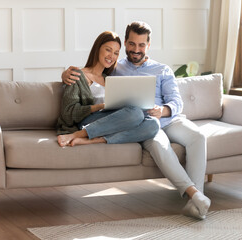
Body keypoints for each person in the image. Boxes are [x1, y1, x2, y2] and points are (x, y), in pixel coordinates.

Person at [61, 22, 211, 220]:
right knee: (157, 143)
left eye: (141, 45)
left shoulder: (162, 70)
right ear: (126, 43)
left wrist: (163, 110)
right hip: (143, 124)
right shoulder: (115, 67)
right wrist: (65, 75)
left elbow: (176, 102)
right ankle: (196, 197)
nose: (136, 50)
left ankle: (196, 201)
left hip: (167, 119)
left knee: (198, 137)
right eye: (132, 44)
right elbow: (89, 78)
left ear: (148, 45)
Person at [57, 31, 159, 147]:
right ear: (98, 48)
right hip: (87, 122)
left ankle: (97, 140)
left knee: (153, 124)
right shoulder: (76, 75)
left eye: (116, 53)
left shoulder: (109, 79)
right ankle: (78, 134)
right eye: (108, 50)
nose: (112, 56)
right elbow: (68, 114)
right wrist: (100, 106)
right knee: (136, 114)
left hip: (110, 121)